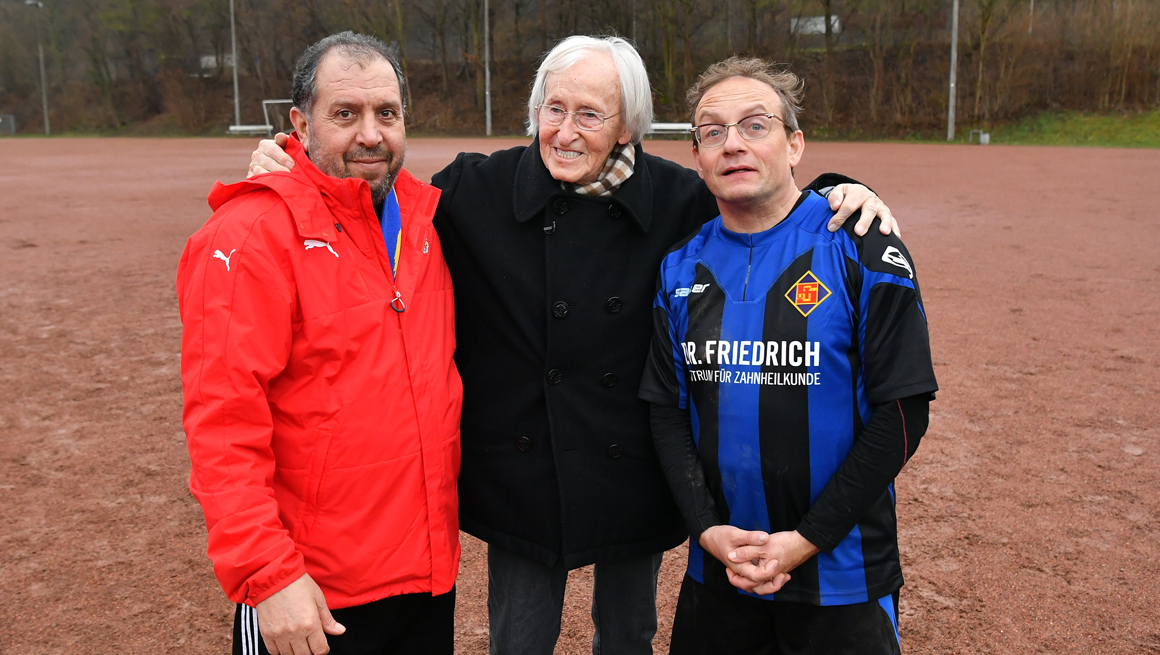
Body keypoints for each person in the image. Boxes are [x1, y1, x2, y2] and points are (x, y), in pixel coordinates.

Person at [247, 36, 900, 655]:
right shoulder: (476, 189)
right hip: (522, 474)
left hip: (632, 469)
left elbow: (763, 194)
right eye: (553, 108)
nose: (564, 130)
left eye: (590, 113)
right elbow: (372, 199)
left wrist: (839, 189)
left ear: (627, 128)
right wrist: (292, 168)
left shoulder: (679, 200)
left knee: (628, 635)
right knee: (520, 639)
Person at [638, 57, 938, 655]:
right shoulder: (678, 267)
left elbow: (903, 412)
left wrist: (807, 538)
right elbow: (666, 414)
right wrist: (707, 531)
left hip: (843, 575)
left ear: (795, 143)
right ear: (697, 157)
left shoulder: (862, 249)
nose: (732, 144)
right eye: (712, 131)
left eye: (755, 125)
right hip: (720, 571)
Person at [177, 32, 461, 655]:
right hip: (313, 594)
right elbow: (223, 426)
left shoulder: (427, 221)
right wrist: (268, 575)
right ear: (299, 124)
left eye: (386, 113)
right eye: (345, 114)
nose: (370, 134)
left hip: (425, 579)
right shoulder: (249, 235)